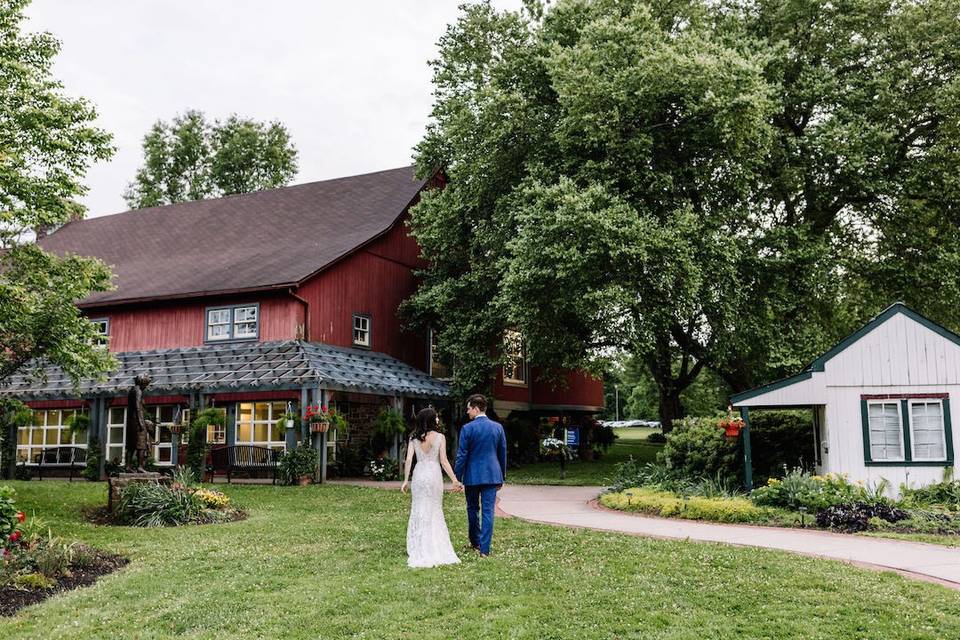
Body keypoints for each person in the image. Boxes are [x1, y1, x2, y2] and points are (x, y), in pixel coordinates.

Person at [401, 407, 463, 568]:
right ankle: (434, 542)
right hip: (434, 475)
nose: (437, 420)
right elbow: (443, 461)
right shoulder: (440, 437)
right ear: (430, 420)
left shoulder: (413, 438)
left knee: (419, 507)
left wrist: (405, 480)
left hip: (420, 474)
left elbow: (408, 460)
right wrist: (454, 480)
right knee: (434, 508)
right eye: (435, 418)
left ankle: (419, 543)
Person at [454, 394, 507, 557]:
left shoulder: (467, 428)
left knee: (472, 509)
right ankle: (484, 549)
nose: (468, 412)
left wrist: (457, 476)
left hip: (472, 475)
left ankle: (475, 541)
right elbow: (502, 453)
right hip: (492, 475)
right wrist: (502, 476)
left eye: (469, 409)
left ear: (476, 408)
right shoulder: (498, 427)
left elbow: (462, 454)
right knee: (488, 511)